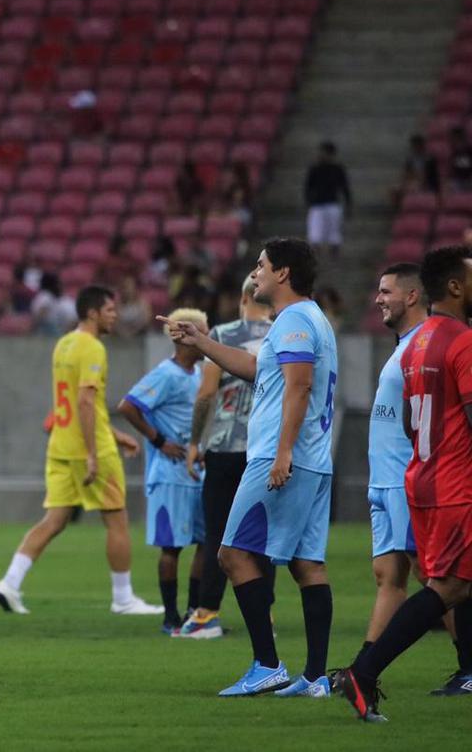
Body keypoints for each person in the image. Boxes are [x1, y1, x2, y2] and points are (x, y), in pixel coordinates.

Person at [161, 237, 338, 698]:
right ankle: (315, 677)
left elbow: (298, 388)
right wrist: (201, 341)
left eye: (260, 266)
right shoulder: (306, 318)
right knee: (306, 564)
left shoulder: (295, 319)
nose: (254, 273)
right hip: (315, 459)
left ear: (282, 273)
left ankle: (266, 665)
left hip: (281, 457)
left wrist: (281, 453)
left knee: (232, 554)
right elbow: (260, 369)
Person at [335, 246, 472, 721]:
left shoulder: (415, 346)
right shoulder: (461, 341)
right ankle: (364, 671)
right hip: (456, 483)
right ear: (454, 286)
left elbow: (415, 426)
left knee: (451, 583)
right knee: (448, 587)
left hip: (427, 477)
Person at [0, 285, 156, 618]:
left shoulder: (63, 344)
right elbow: (84, 400)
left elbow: (76, 404)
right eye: (110, 310)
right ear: (94, 313)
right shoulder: (92, 347)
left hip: (61, 446)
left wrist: (116, 433)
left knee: (54, 520)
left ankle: (9, 582)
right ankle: (123, 598)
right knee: (117, 520)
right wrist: (95, 452)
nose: (114, 315)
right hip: (88, 449)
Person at [180, 275, 273, 640]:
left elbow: (205, 394)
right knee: (263, 534)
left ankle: (206, 614)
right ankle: (264, 616)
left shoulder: (221, 335)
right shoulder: (283, 334)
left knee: (218, 532)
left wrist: (193, 442)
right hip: (265, 447)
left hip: (224, 445)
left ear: (241, 298)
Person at [118, 308, 209, 635]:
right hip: (170, 474)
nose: (208, 339)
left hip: (196, 471)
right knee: (172, 546)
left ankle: (193, 614)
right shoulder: (165, 374)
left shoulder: (198, 375)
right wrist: (158, 440)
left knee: (204, 542)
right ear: (186, 336)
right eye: (204, 332)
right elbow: (128, 406)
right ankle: (170, 617)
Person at [304, 141, 352, 259]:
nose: (321, 155)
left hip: (332, 204)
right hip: (317, 205)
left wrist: (348, 203)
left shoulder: (337, 169)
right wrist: (309, 201)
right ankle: (315, 256)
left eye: (323, 152)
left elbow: (344, 187)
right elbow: (308, 187)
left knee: (334, 232)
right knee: (315, 232)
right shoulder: (314, 169)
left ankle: (334, 255)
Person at [391, 134, 440, 207]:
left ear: (422, 146)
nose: (415, 148)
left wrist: (418, 180)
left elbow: (430, 176)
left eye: (417, 145)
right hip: (413, 181)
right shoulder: (410, 159)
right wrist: (403, 182)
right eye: (413, 146)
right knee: (395, 189)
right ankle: (401, 210)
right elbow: (406, 173)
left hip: (426, 184)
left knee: (411, 188)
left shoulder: (429, 159)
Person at [448, 127, 472, 193]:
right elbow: (453, 166)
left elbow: (467, 165)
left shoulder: (469, 150)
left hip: (468, 178)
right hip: (457, 179)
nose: (453, 139)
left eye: (455, 137)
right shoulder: (454, 151)